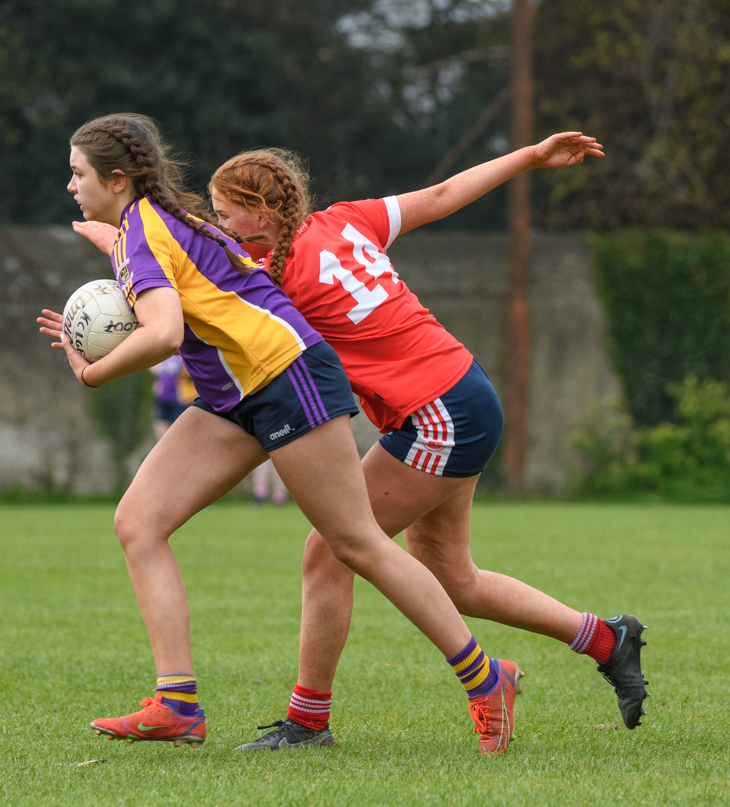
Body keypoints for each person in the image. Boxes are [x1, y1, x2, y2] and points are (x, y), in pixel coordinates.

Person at [39, 112, 521, 755]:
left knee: (355, 543)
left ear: (118, 179)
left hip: (287, 375)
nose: (71, 185)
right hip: (235, 392)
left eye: (78, 174)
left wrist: (92, 371)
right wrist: (111, 243)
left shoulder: (145, 233)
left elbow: (162, 333)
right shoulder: (159, 222)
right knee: (139, 522)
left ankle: (484, 679)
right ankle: (177, 703)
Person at [203, 132, 649, 750]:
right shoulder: (345, 221)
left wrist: (126, 257)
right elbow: (442, 195)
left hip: (439, 413)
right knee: (452, 578)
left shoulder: (274, 284)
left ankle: (309, 723)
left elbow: (200, 310)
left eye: (224, 211)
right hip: (459, 390)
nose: (215, 221)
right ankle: (607, 638)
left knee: (331, 549)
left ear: (263, 214)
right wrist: (528, 155)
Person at [150, 355, 195, 440]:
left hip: (182, 399)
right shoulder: (162, 350)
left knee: (181, 434)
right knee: (161, 430)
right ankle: (164, 451)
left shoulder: (186, 351)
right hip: (162, 396)